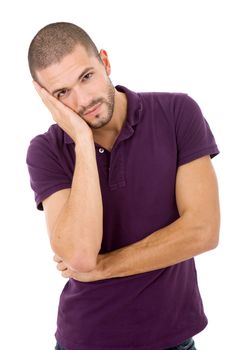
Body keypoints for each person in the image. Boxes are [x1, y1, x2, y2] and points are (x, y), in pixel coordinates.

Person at [26, 22, 220, 350]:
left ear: (105, 61)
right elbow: (80, 256)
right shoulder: (47, 151)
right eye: (63, 93)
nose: (83, 100)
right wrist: (84, 142)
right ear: (48, 99)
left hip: (173, 340)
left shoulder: (177, 114)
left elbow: (203, 231)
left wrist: (103, 268)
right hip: (85, 341)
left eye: (86, 77)